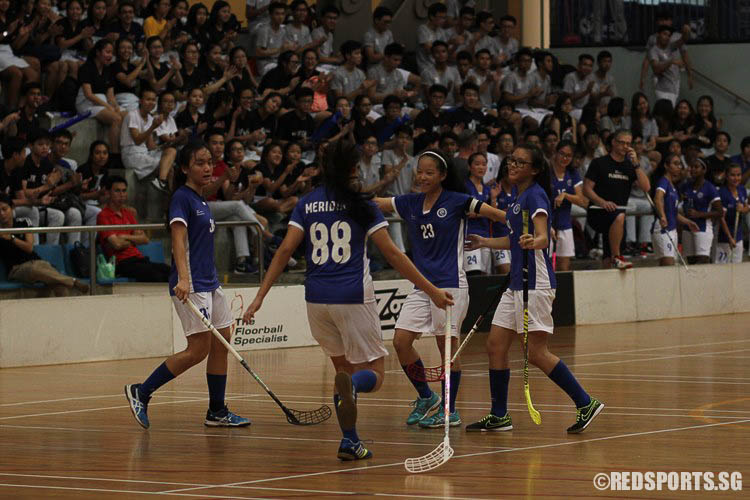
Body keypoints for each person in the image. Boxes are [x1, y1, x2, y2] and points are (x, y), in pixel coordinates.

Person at [242, 140, 453, 460]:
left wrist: (259, 298)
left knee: (343, 371)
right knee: (374, 376)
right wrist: (432, 290)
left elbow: (284, 251)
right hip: (353, 296)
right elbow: (394, 254)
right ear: (354, 169)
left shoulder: (308, 203)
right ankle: (353, 397)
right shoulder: (362, 204)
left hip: (315, 299)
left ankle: (350, 440)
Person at [464, 143, 604, 433]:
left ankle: (585, 402)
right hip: (516, 284)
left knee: (537, 352)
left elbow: (542, 237)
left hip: (535, 283)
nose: (513, 165)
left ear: (535, 169)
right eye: (511, 160)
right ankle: (500, 414)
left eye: (520, 162)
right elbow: (515, 239)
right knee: (495, 345)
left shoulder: (536, 196)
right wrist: (484, 242)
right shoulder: (517, 199)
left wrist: (535, 241)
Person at [374, 150, 505, 429]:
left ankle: (450, 411)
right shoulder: (409, 202)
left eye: (429, 172)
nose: (422, 177)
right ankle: (426, 397)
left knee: (448, 352)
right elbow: (376, 202)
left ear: (442, 175)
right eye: (419, 171)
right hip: (422, 286)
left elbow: (496, 214)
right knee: (400, 341)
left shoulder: (458, 201)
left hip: (451, 286)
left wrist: (526, 224)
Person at [125, 141, 252, 430]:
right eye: (200, 163)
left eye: (209, 162)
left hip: (210, 282)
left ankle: (217, 411)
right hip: (192, 283)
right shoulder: (181, 198)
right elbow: (178, 240)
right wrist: (183, 278)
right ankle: (141, 392)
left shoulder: (201, 199)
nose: (208, 168)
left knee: (223, 341)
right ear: (184, 168)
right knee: (198, 350)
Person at [583, 129, 650, 270]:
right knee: (619, 217)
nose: (625, 147)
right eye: (622, 143)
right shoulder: (599, 163)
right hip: (599, 210)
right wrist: (602, 202)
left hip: (617, 215)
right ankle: (617, 257)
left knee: (607, 256)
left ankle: (610, 265)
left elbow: (646, 187)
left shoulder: (629, 166)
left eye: (628, 144)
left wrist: (636, 164)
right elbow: (586, 189)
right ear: (613, 142)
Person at [0, 192, 89, 295]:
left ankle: (64, 307)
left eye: (4, 209)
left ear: (12, 208)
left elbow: (29, 247)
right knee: (35, 269)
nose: (2, 214)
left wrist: (11, 237)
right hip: (16, 269)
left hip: (37, 262)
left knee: (61, 288)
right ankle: (72, 281)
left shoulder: (23, 223)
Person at [97, 176, 171, 282]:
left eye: (124, 191)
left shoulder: (129, 213)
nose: (121, 194)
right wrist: (133, 240)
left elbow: (145, 239)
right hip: (121, 263)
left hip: (139, 259)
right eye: (117, 191)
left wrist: (123, 236)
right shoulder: (103, 215)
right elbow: (117, 244)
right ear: (109, 193)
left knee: (171, 271)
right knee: (157, 276)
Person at [121, 88, 178, 190]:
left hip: (145, 153)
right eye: (148, 99)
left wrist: (165, 146)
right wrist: (153, 127)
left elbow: (151, 146)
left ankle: (161, 182)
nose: (151, 102)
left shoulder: (151, 118)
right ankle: (163, 184)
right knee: (169, 169)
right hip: (131, 154)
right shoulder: (132, 115)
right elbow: (137, 140)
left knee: (171, 151)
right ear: (140, 101)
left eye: (153, 100)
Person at [651, 153, 698, 266]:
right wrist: (662, 216)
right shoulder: (663, 181)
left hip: (673, 229)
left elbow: (674, 213)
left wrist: (688, 222)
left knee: (666, 267)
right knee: (668, 265)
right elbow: (657, 199)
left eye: (680, 164)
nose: (679, 167)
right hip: (663, 229)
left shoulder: (673, 186)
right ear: (666, 166)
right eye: (675, 164)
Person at [550, 140, 587, 271]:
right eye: (562, 154)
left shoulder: (573, 173)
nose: (565, 158)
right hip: (546, 223)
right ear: (555, 153)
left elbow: (582, 201)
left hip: (565, 224)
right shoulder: (546, 172)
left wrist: (565, 195)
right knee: (545, 266)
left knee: (564, 267)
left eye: (569, 156)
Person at [680, 159, 722, 265]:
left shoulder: (710, 188)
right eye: (691, 167)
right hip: (687, 228)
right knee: (690, 261)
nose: (693, 169)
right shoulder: (686, 186)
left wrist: (699, 214)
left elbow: (720, 212)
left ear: (704, 170)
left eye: (696, 167)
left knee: (702, 260)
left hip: (702, 228)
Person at [464, 152, 494, 275]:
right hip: (469, 235)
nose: (481, 167)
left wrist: (493, 199)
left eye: (484, 164)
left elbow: (493, 215)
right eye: (477, 164)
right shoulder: (464, 186)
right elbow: (467, 213)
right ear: (470, 167)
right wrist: (487, 213)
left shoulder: (488, 189)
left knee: (485, 275)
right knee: (472, 273)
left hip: (485, 235)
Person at [716, 164, 748, 264]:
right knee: (722, 269)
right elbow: (721, 219)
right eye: (732, 175)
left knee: (737, 268)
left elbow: (746, 207)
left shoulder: (742, 190)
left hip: (738, 237)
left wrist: (742, 209)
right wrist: (729, 237)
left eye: (738, 175)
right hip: (724, 238)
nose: (736, 178)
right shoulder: (722, 193)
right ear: (726, 175)